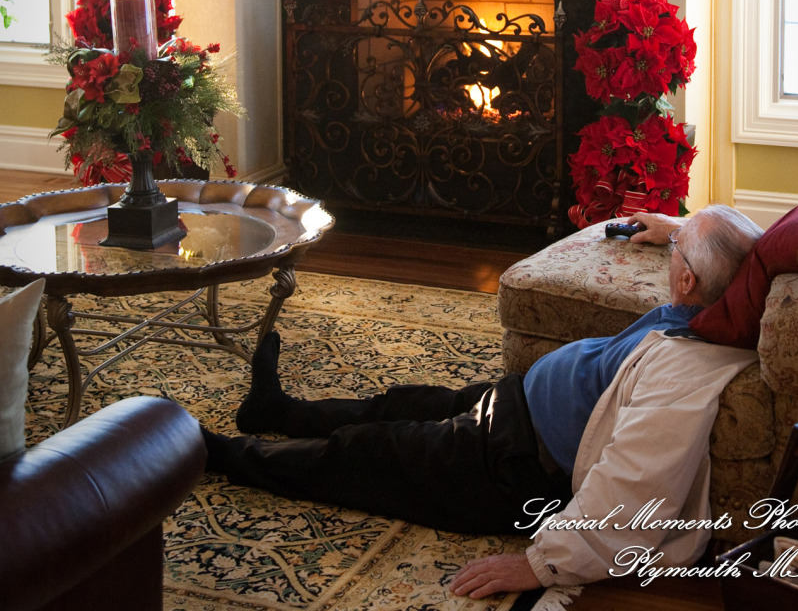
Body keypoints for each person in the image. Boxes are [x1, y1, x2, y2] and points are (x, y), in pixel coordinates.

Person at [200, 205, 763, 597]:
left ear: (686, 281)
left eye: (679, 249)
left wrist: (542, 566)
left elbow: (637, 480)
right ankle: (272, 411)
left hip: (512, 463)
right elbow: (721, 252)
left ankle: (220, 454)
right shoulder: (717, 302)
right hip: (516, 405)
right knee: (400, 402)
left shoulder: (687, 372)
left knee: (367, 451)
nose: (671, 251)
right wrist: (678, 228)